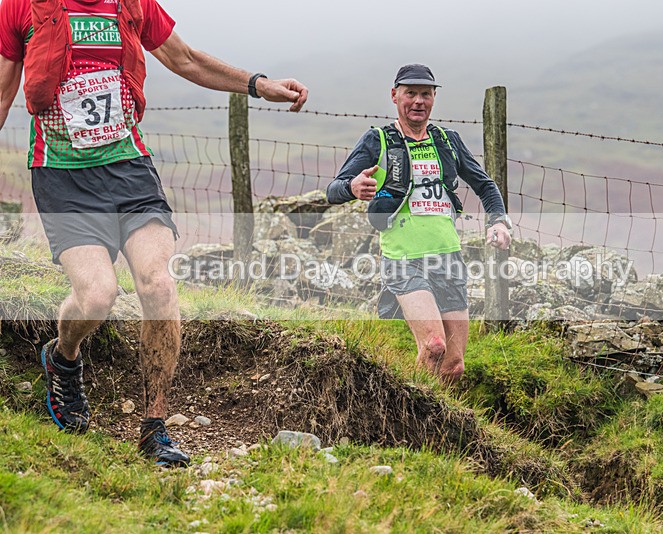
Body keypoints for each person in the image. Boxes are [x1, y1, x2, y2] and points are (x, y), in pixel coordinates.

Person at [0, 0, 308, 466]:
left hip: (130, 173)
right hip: (63, 178)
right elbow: (2, 95)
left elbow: (184, 59)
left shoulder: (132, 4)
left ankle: (155, 426)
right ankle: (63, 356)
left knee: (159, 284)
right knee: (98, 296)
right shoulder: (20, 7)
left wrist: (259, 86)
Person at [327, 64, 511, 384]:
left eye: (425, 94)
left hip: (448, 257)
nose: (418, 101)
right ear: (394, 95)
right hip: (403, 258)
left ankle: (437, 428)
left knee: (454, 366)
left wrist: (498, 221)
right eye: (410, 93)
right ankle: (403, 417)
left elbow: (485, 185)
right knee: (434, 346)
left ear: (434, 98)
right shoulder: (378, 140)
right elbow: (334, 190)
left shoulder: (447, 141)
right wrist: (352, 188)